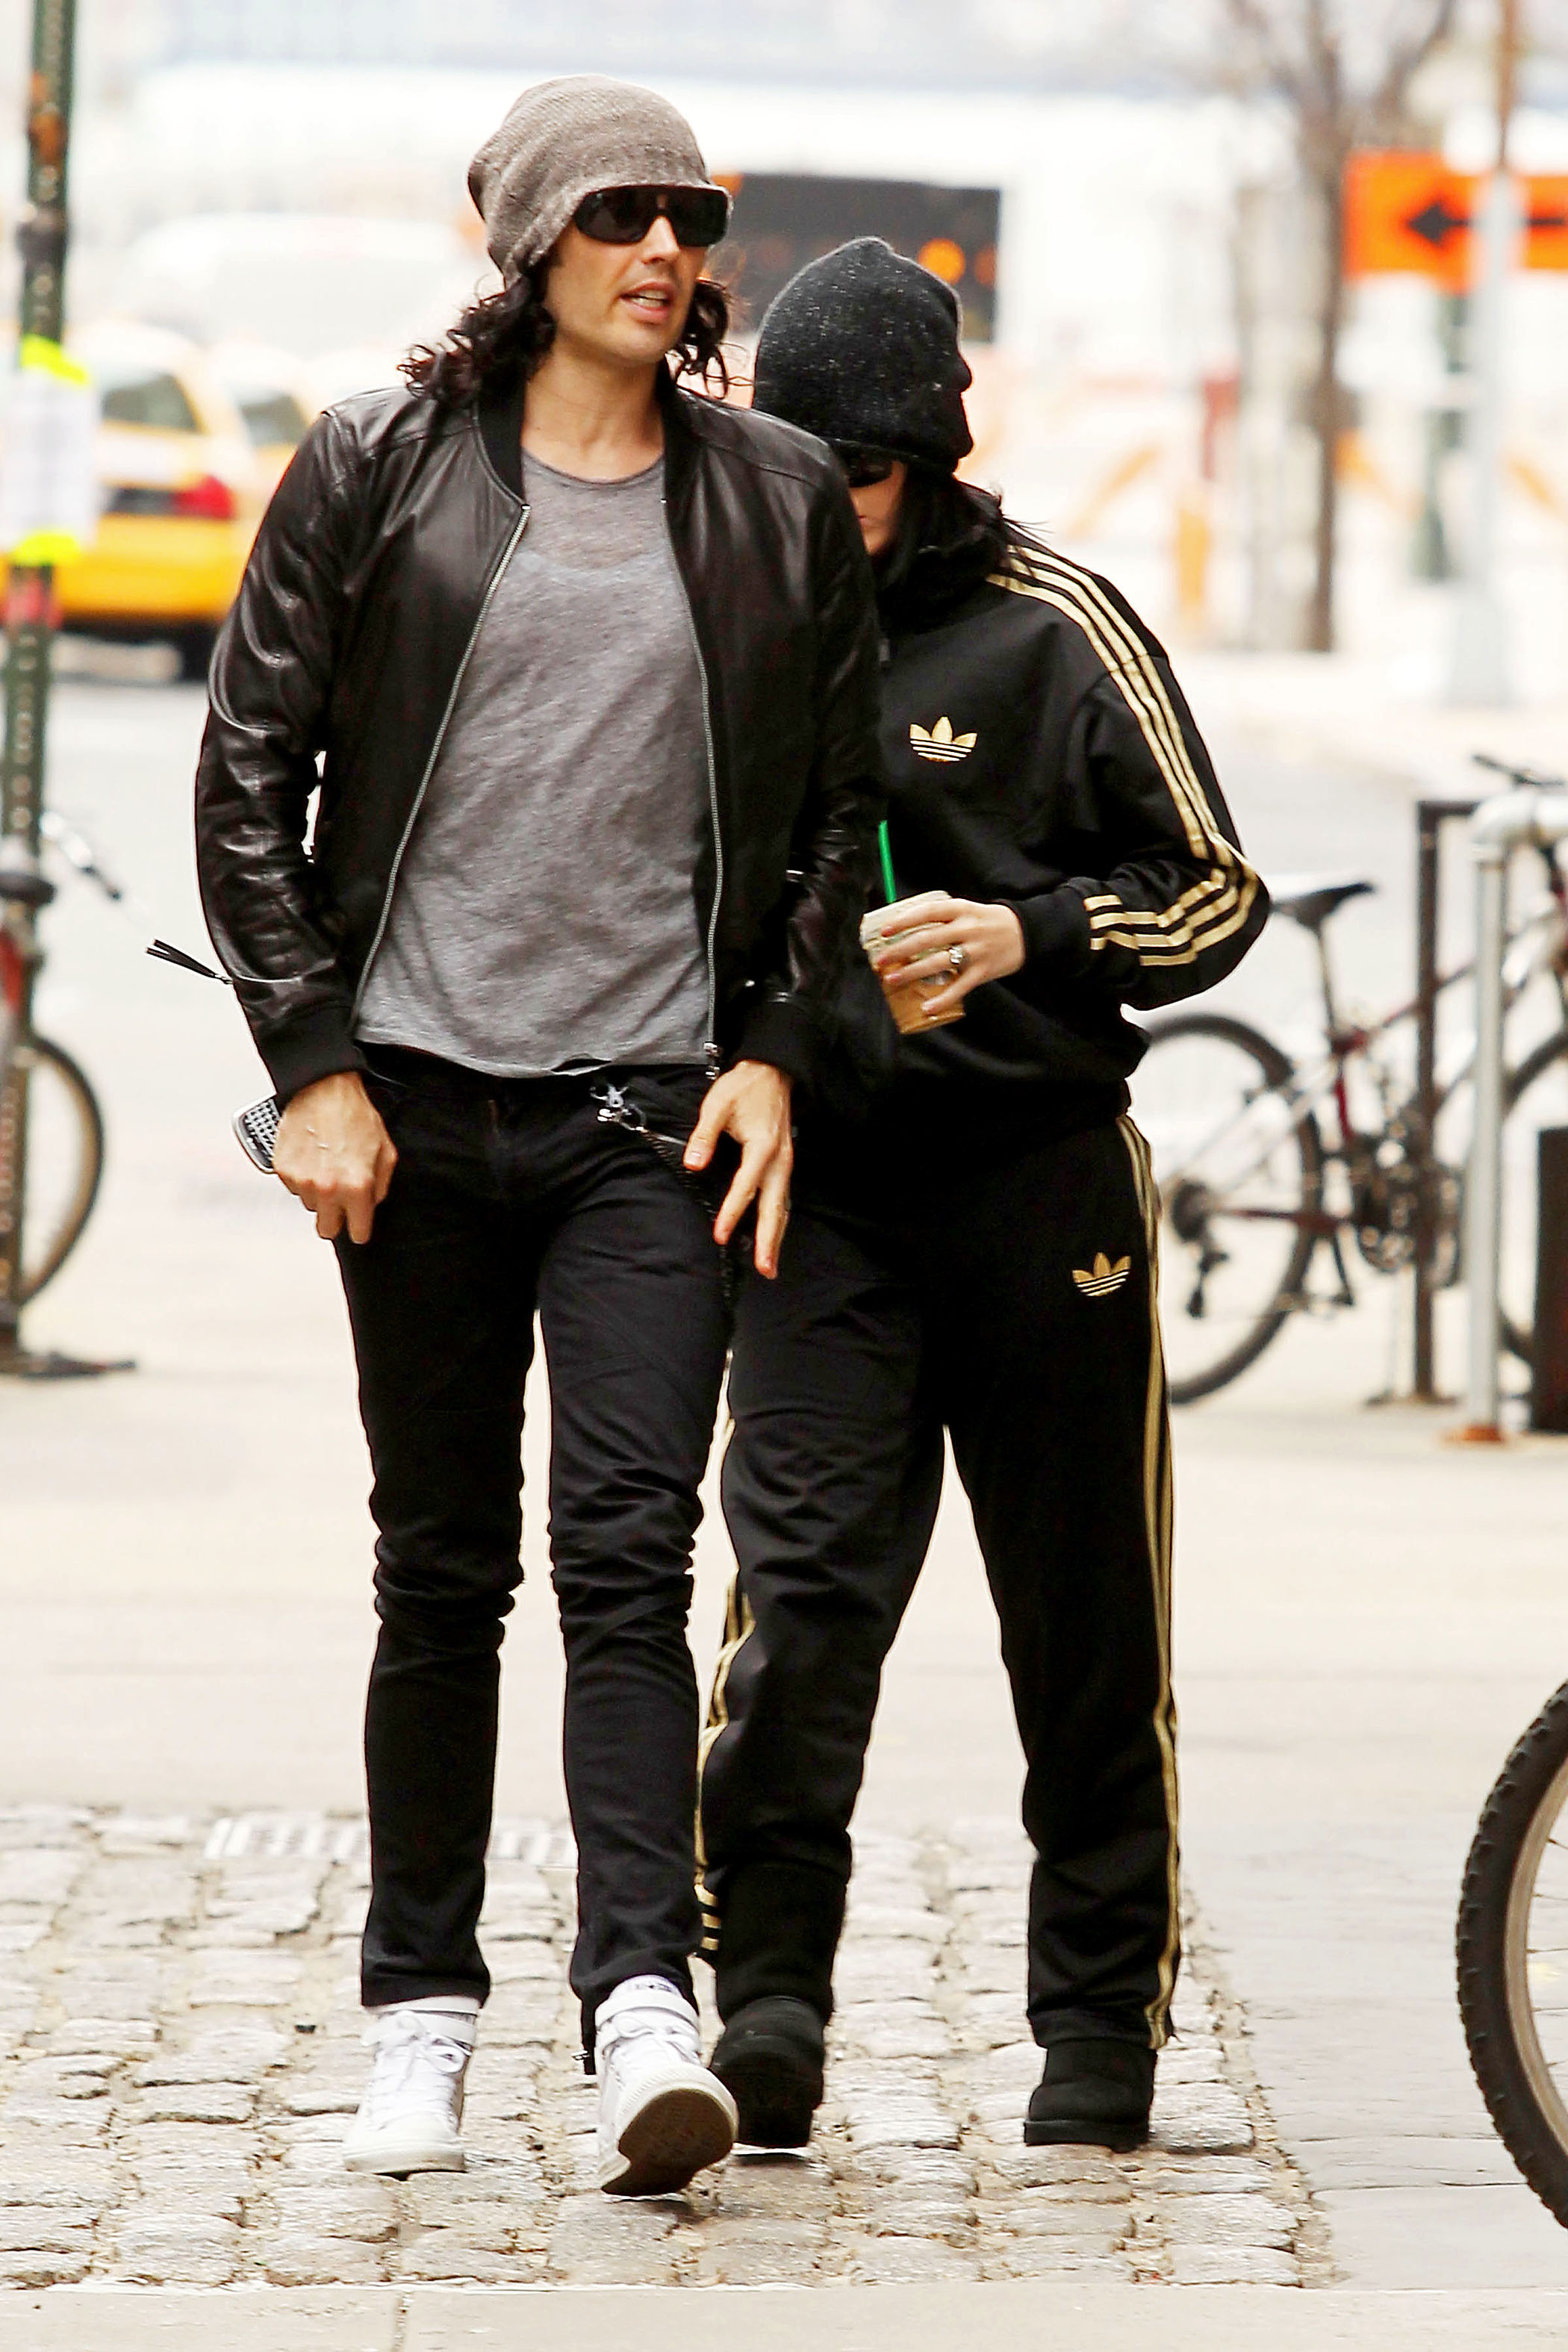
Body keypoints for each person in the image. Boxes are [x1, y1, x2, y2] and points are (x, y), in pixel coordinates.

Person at [193, 81, 882, 2197]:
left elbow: (833, 814)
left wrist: (776, 1049)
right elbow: (247, 779)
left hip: (643, 1118)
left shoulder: (770, 494)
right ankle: (418, 2012)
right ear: (525, 245)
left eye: (687, 216)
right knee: (438, 1568)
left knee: (627, 1558)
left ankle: (641, 2002)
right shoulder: (376, 461)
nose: (662, 249)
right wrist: (314, 1064)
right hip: (408, 1111)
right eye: (616, 215)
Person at [697, 239, 1268, 2157]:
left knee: (1087, 1633)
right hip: (824, 1201)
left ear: (931, 460)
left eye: (856, 471)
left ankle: (1097, 2035)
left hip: (1044, 1191)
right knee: (795, 1618)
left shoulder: (1058, 625)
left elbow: (1218, 893)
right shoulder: (733, 615)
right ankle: (766, 2011)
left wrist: (1029, 934)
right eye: (794, 463)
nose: (823, 501)